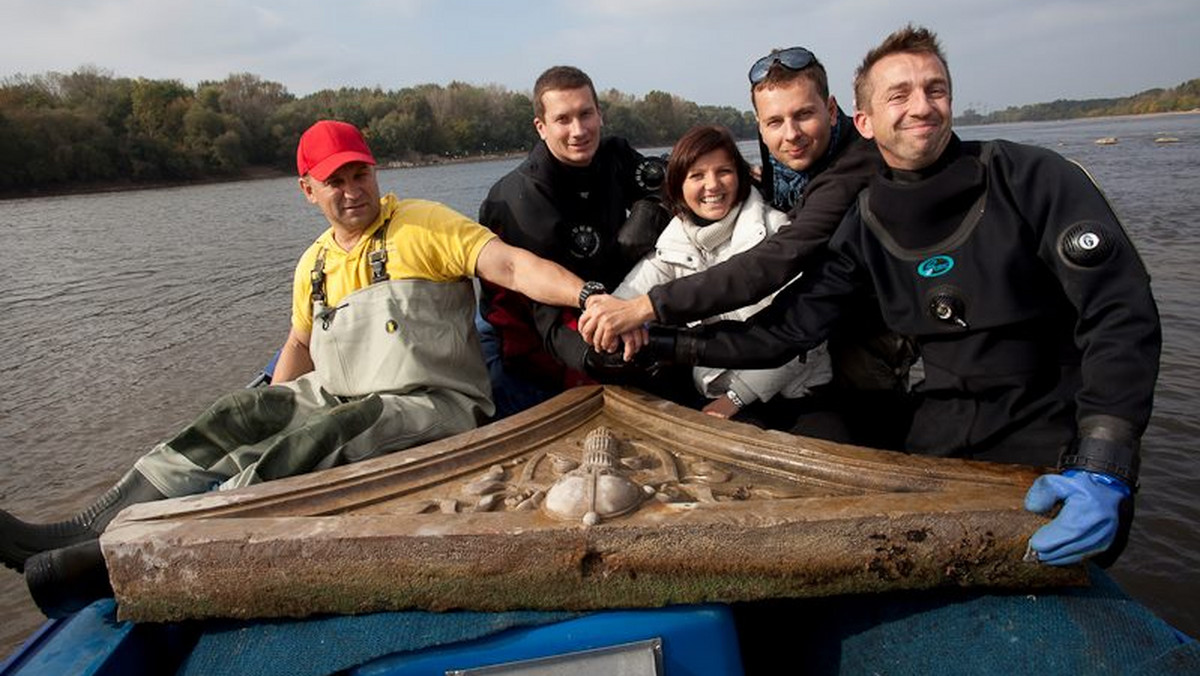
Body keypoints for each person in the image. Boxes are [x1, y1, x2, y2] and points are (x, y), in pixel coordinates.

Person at [1, 120, 596, 605]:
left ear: (373, 172)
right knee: (234, 417)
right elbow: (299, 345)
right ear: (308, 190)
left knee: (320, 439)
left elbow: (513, 267)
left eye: (359, 172)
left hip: (431, 404)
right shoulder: (312, 263)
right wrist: (265, 409)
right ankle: (90, 525)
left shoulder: (423, 224)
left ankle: (144, 546)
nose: (352, 189)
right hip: (341, 391)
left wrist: (590, 298)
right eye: (334, 180)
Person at [642, 25, 1161, 567]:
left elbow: (1120, 314)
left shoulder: (1033, 178)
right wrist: (666, 343)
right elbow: (786, 330)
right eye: (900, 94)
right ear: (865, 122)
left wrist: (1105, 459)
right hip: (941, 430)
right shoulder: (866, 223)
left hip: (1054, 435)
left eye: (935, 90)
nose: (922, 106)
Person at [579, 46, 914, 447]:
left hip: (866, 349)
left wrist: (644, 311)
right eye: (775, 121)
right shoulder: (774, 175)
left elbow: (776, 269)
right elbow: (643, 280)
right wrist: (610, 314)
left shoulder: (846, 173)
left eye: (804, 114)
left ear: (831, 108)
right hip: (752, 362)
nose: (790, 134)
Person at [476, 65, 675, 418]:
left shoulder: (614, 155)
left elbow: (673, 184)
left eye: (586, 114)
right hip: (527, 336)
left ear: (600, 114)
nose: (578, 131)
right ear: (541, 127)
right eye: (563, 120)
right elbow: (543, 317)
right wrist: (606, 349)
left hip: (600, 302)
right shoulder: (521, 200)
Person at [612, 124, 831, 423]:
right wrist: (618, 320)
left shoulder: (777, 233)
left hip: (796, 392)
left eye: (723, 172)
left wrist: (736, 397)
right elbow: (624, 299)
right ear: (677, 186)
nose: (712, 185)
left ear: (740, 176)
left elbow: (808, 337)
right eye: (697, 176)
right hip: (716, 394)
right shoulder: (673, 242)